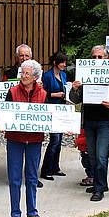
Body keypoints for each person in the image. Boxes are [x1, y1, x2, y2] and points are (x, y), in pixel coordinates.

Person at [68, 45, 109, 202]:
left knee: (101, 156)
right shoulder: (85, 74)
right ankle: (101, 183)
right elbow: (75, 99)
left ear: (106, 58)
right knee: (92, 156)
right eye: (94, 57)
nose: (97, 60)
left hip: (105, 122)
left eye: (100, 57)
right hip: (89, 121)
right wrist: (74, 89)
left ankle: (99, 190)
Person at [4, 59, 49, 217]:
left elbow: (49, 116)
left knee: (32, 178)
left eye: (27, 74)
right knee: (14, 178)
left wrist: (62, 126)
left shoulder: (43, 94)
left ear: (35, 76)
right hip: (15, 139)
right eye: (22, 73)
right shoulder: (13, 91)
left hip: (35, 140)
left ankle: (32, 213)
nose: (23, 76)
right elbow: (6, 113)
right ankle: (15, 214)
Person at [40, 51, 68, 180]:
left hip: (61, 109)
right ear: (55, 62)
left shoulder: (63, 75)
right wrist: (55, 94)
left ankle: (55, 167)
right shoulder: (47, 76)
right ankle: (46, 169)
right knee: (54, 140)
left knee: (59, 140)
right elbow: (42, 94)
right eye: (62, 62)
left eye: (65, 62)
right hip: (51, 109)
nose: (64, 64)